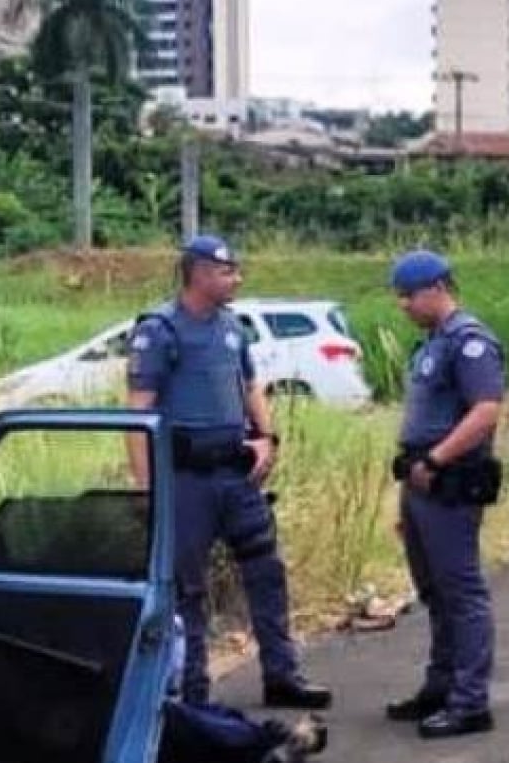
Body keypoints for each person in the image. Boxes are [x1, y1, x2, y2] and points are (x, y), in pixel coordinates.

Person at [126, 234, 331, 711]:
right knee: (186, 588)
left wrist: (267, 437)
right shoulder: (160, 330)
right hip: (186, 479)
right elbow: (138, 413)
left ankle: (282, 675)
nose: (236, 278)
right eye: (226, 272)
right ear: (198, 274)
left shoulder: (231, 327)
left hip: (235, 475)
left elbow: (250, 383)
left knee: (265, 569)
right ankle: (192, 691)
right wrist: (146, 488)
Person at [386, 250, 505, 739]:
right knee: (434, 591)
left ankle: (470, 701)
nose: (403, 306)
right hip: (420, 482)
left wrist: (435, 459)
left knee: (462, 593)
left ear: (436, 288)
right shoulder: (433, 343)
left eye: (409, 295)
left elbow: (485, 412)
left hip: (448, 482)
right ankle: (441, 686)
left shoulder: (469, 342)